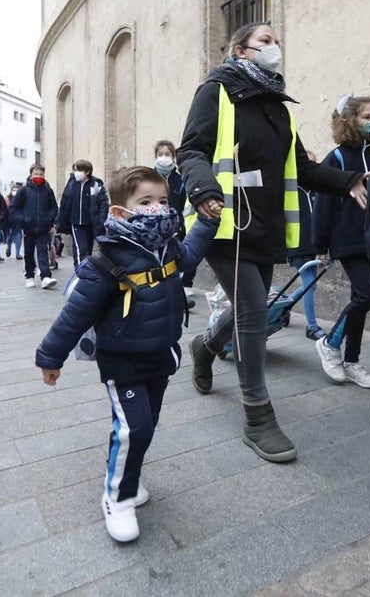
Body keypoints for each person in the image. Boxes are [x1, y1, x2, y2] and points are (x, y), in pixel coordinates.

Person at [178, 22, 369, 463]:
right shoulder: (216, 90)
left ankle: (205, 348)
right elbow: (192, 151)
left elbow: (302, 168)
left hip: (264, 225)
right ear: (240, 51)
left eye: (277, 41)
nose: (275, 47)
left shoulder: (279, 107)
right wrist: (205, 190)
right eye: (265, 41)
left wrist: (350, 182)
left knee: (255, 310)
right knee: (251, 312)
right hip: (224, 221)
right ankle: (257, 415)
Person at [35, 166, 219, 543]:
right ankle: (116, 497)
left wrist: (206, 221)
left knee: (145, 426)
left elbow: (192, 253)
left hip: (161, 355)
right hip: (124, 361)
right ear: (121, 211)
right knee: (132, 427)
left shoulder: (167, 245)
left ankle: (130, 482)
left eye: (163, 202)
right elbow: (75, 314)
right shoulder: (107, 259)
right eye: (146, 202)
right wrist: (50, 357)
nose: (157, 209)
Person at [314, 95, 370, 389]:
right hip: (348, 239)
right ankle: (330, 343)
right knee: (366, 296)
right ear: (350, 120)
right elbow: (323, 204)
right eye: (367, 117)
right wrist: (321, 246)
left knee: (362, 298)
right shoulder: (337, 158)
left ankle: (352, 362)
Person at [154, 139, 197, 308]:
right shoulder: (148, 177)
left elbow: (185, 204)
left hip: (176, 227)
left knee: (176, 258)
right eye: (160, 154)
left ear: (173, 157)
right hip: (153, 227)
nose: (163, 158)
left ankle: (180, 290)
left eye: (167, 154)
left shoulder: (180, 180)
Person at [286, 151, 324, 341]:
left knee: (312, 285)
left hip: (314, 244)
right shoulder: (292, 190)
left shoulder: (316, 191)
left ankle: (286, 305)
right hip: (298, 244)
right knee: (309, 284)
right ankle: (311, 326)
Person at [9, 164, 59, 289]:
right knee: (29, 253)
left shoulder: (48, 191)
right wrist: (23, 219)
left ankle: (45, 277)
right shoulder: (24, 190)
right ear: (31, 175)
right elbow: (14, 208)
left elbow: (53, 207)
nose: (38, 176)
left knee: (43, 252)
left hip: (43, 227)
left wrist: (50, 219)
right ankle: (29, 276)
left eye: (41, 174)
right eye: (36, 174)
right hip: (28, 228)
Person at [57, 160, 109, 271]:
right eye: (75, 170)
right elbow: (65, 203)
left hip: (90, 223)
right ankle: (82, 272)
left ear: (87, 171)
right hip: (75, 222)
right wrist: (60, 221)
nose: (76, 173)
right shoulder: (71, 184)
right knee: (81, 249)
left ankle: (87, 270)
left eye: (79, 170)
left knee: (88, 249)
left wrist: (101, 222)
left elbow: (103, 205)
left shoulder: (95, 185)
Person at [5, 184, 24, 259]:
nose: (15, 192)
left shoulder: (22, 199)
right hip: (9, 220)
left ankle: (18, 253)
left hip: (18, 220)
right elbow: (6, 209)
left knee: (18, 235)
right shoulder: (8, 199)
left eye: (17, 190)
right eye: (14, 190)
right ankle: (8, 247)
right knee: (10, 236)